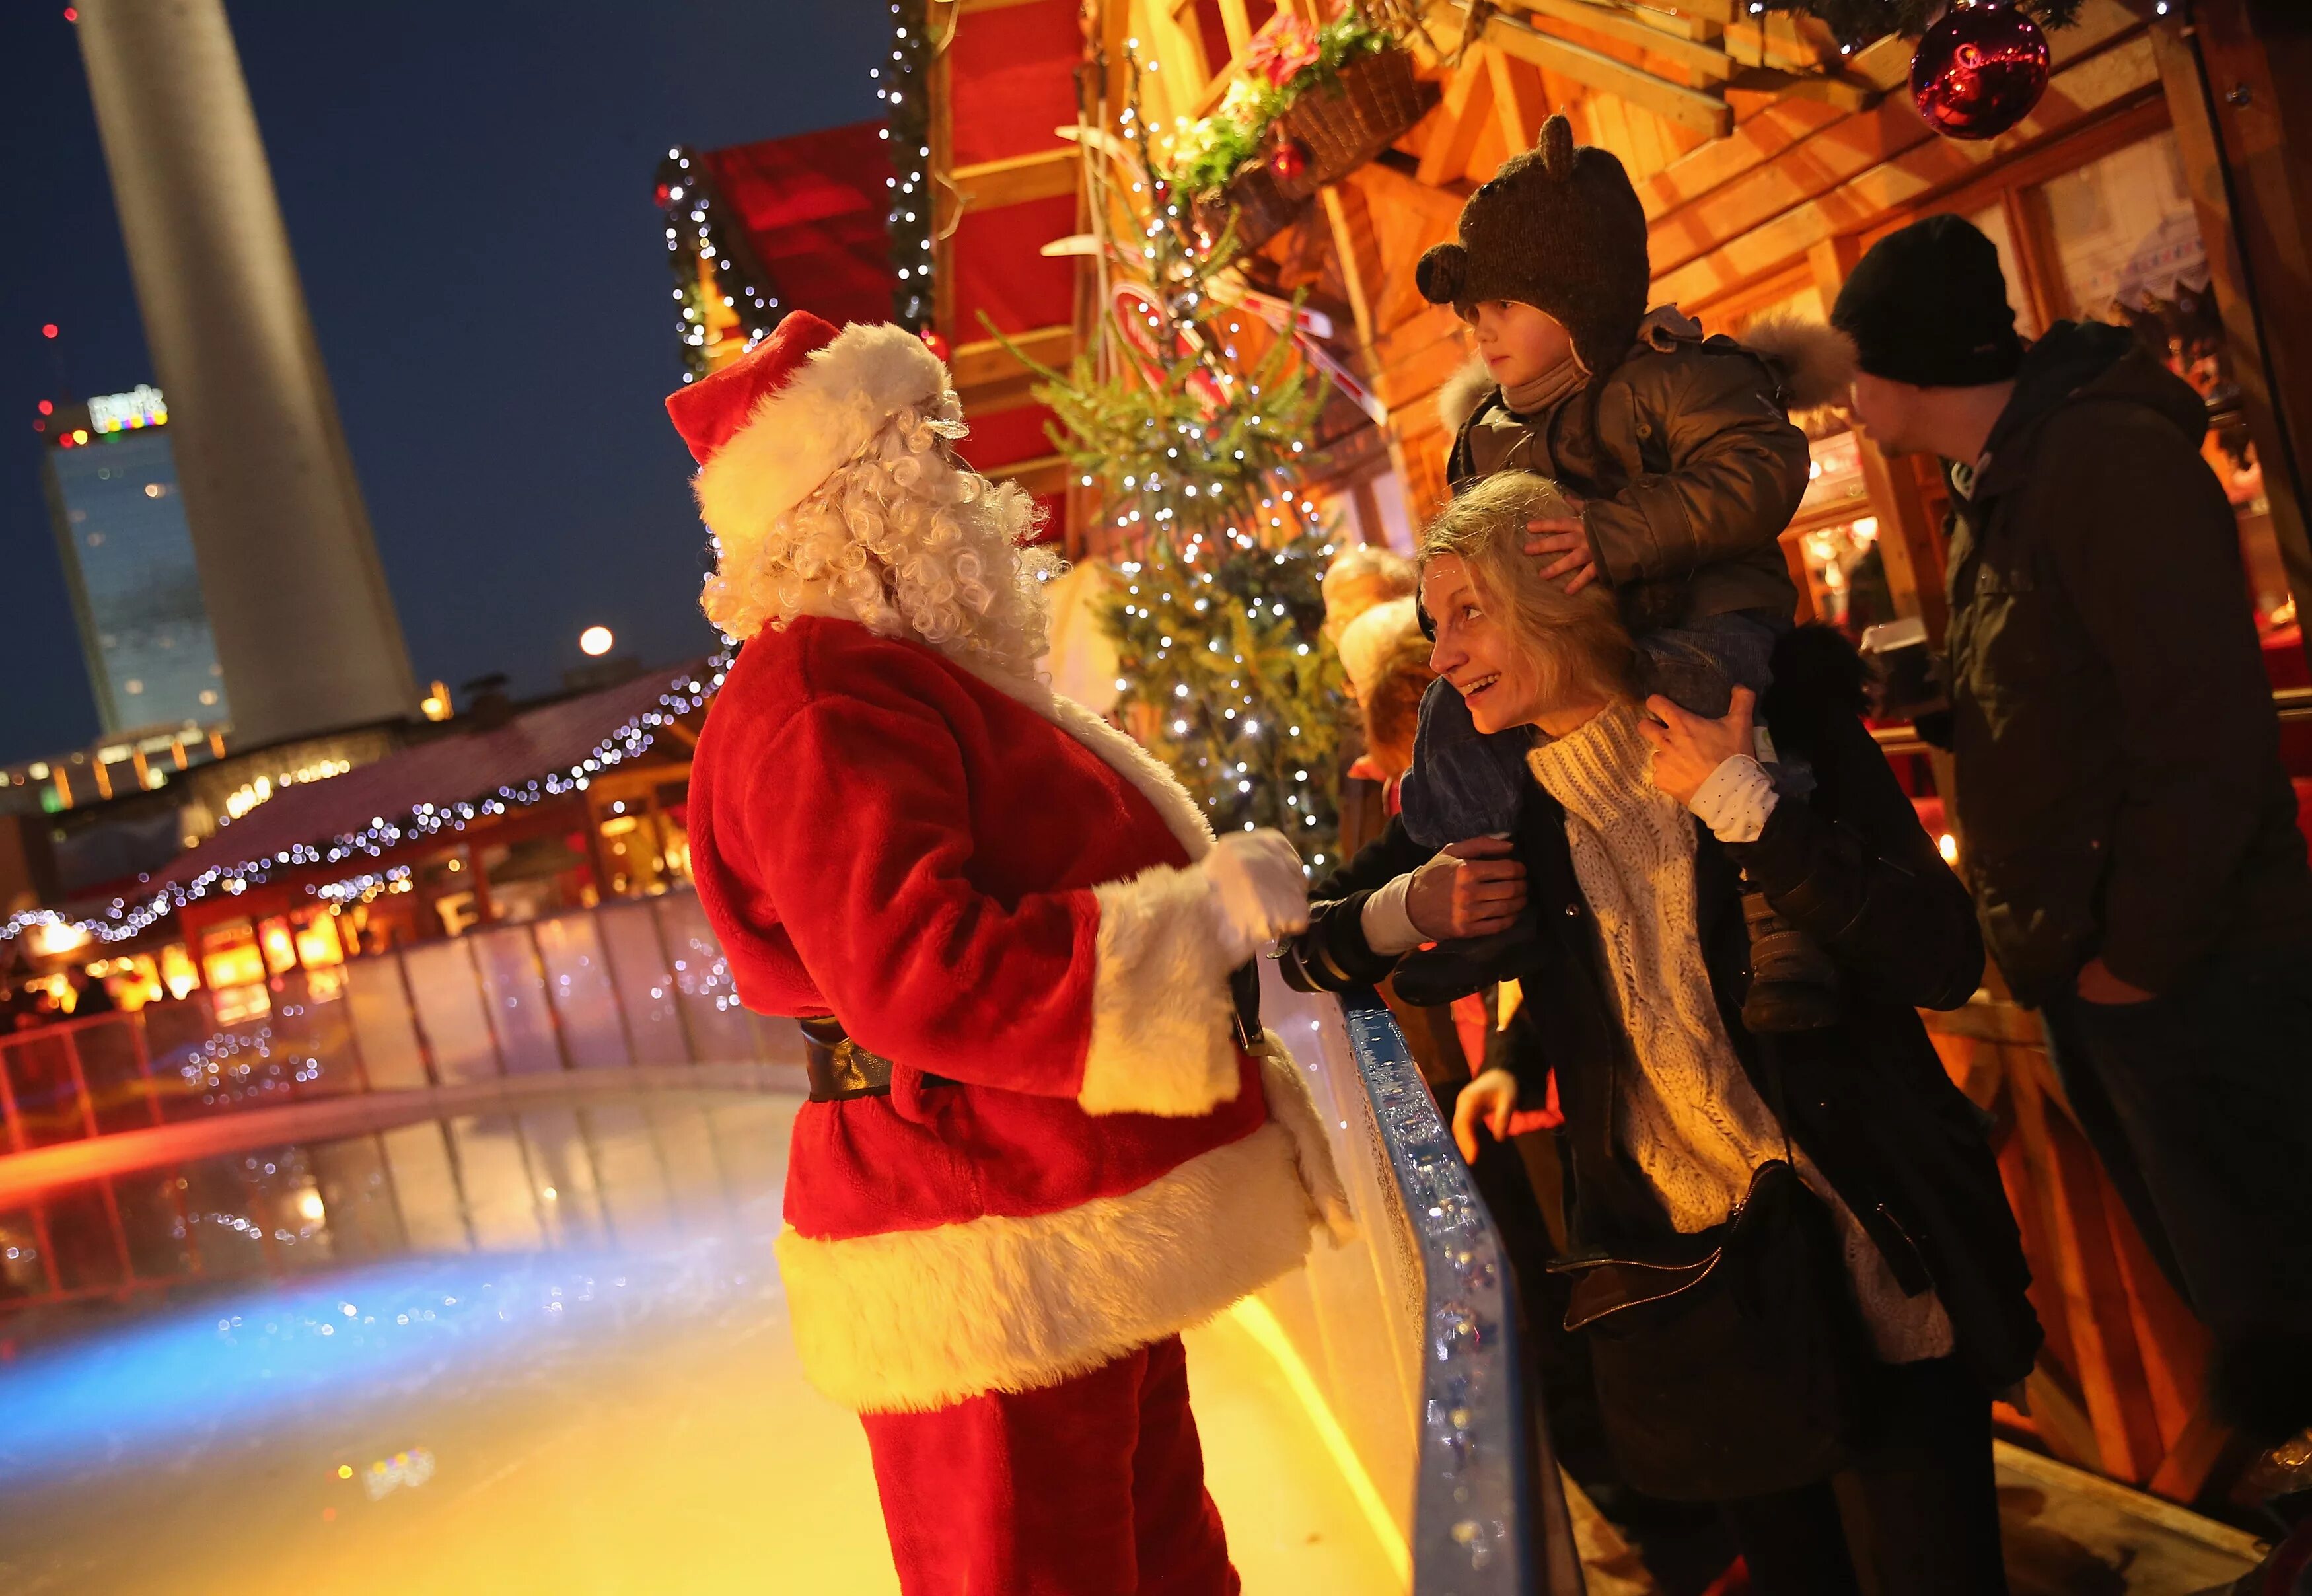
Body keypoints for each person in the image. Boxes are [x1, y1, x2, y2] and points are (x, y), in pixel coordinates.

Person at [668, 311, 1349, 1596]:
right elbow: (918, 967)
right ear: (847, 491)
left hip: (1054, 1217)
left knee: (1165, 1564)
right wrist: (1190, 918)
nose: (959, 477)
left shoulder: (893, 673)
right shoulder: (822, 695)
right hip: (979, 1240)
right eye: (917, 443)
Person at [1280, 472, 2040, 1595]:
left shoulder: (1770, 715)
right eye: (1433, 626)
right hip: (1701, 1298)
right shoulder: (1500, 810)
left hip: (1878, 1256)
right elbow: (1303, 952)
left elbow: (1941, 956)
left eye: (1468, 613)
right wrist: (1411, 910)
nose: (1440, 657)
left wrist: (1749, 808)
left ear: (1562, 596)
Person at [1832, 213, 2312, 1443]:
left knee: (2278, 1288)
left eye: (1856, 368)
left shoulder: (2101, 465)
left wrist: (2134, 964)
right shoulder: (2004, 478)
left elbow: (2202, 736)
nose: (1845, 400)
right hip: (2112, 970)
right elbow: (2072, 694)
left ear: (1912, 366)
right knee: (2242, 1301)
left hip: (2195, 974)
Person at [1406, 111, 1855, 1033]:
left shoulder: (1671, 377)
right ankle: (1489, 888)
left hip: (1702, 612)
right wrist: (1459, 626)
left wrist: (1615, 536)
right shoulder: (1484, 438)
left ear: (1580, 299)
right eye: (1474, 317)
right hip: (1571, 652)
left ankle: (1777, 913)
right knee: (1453, 719)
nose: (1483, 334)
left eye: (1505, 310)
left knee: (1695, 701)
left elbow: (1758, 468)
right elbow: (1468, 557)